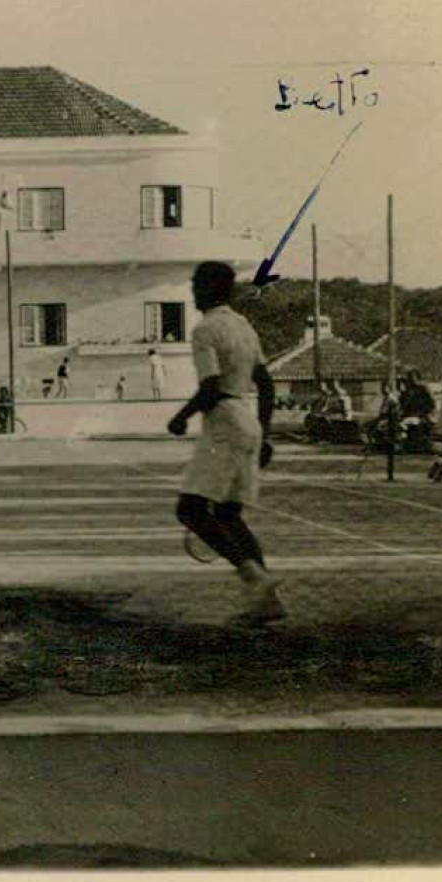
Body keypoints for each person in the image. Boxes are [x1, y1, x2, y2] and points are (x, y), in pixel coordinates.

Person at [167, 262, 283, 625]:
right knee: (229, 515)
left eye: (196, 286)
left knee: (190, 509)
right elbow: (266, 384)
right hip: (248, 421)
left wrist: (181, 416)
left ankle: (253, 575)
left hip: (224, 421)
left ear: (206, 288)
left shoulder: (204, 330)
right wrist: (265, 432)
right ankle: (268, 603)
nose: (192, 292)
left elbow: (211, 387)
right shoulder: (244, 326)